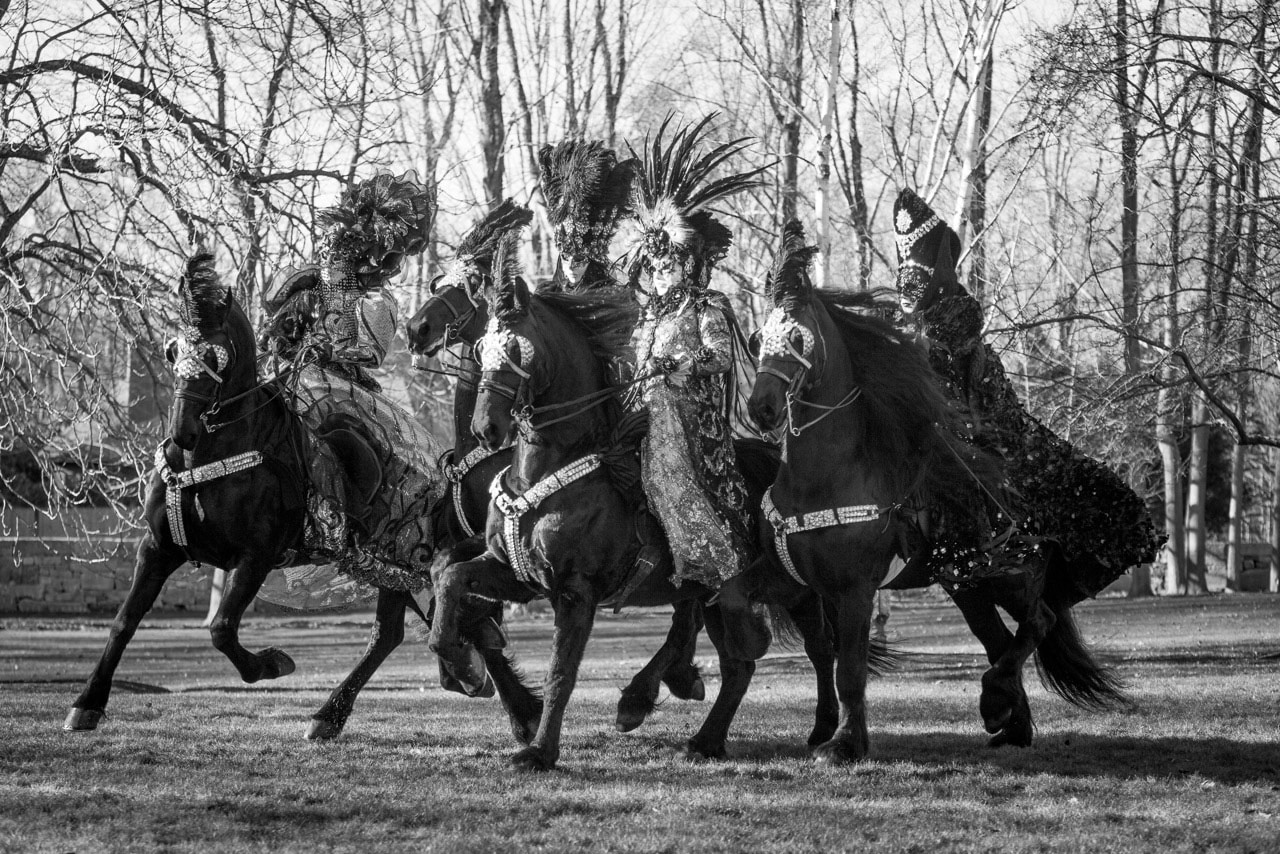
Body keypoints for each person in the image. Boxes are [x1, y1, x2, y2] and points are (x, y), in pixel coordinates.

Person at [626, 115, 765, 609]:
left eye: (669, 265)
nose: (660, 275)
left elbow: (721, 356)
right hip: (642, 407)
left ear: (687, 264)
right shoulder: (646, 316)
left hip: (687, 412)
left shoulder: (705, 307)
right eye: (654, 267)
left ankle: (705, 557)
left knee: (664, 446)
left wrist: (676, 366)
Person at [260, 171, 434, 391]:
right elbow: (277, 331)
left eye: (338, 257)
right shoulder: (308, 291)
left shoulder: (372, 301)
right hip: (292, 373)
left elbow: (371, 354)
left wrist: (332, 353)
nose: (330, 261)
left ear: (355, 260)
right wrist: (274, 338)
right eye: (326, 254)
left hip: (340, 384)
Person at [536, 139, 636, 295]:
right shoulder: (550, 297)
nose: (570, 267)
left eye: (578, 260)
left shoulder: (613, 298)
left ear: (593, 261)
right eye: (566, 257)